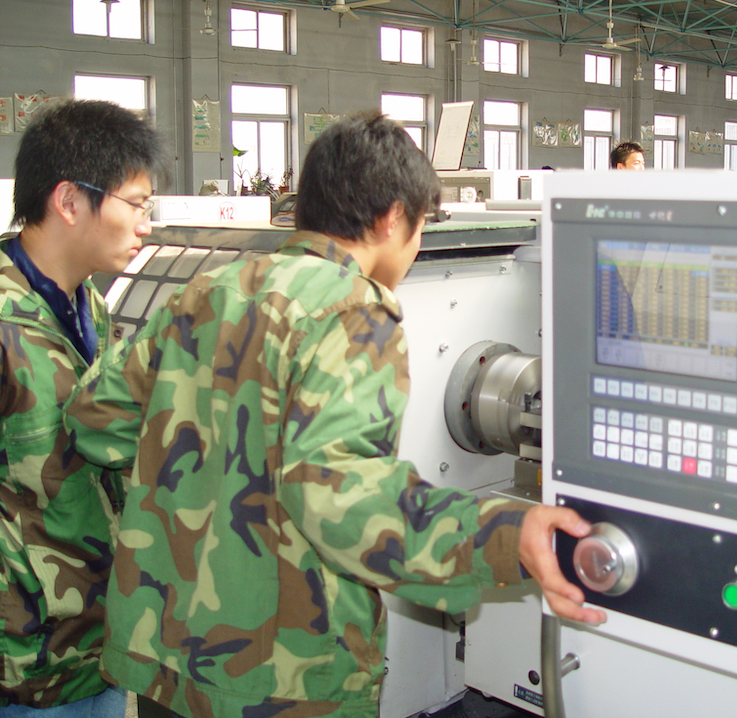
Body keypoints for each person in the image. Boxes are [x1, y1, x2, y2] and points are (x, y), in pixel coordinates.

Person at [63, 112, 605, 718]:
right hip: (276, 680)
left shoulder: (207, 291)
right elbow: (339, 498)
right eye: (420, 227)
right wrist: (502, 537)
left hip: (166, 658)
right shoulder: (353, 311)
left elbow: (94, 417)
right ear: (393, 218)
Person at [1, 99, 165, 713]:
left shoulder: (87, 306)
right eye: (137, 204)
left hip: (99, 642)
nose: (146, 225)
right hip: (25, 662)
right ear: (70, 201)